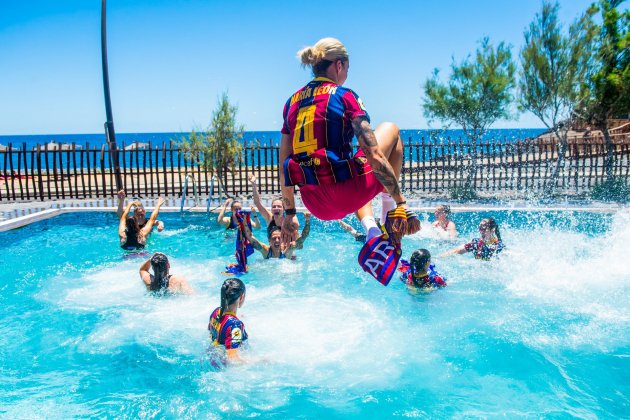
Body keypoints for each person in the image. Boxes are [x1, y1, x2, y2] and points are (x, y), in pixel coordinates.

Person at [278, 37, 420, 248]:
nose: (346, 73)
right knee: (391, 130)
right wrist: (401, 202)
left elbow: (284, 163)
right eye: (347, 68)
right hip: (346, 194)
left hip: (315, 204)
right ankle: (389, 214)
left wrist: (290, 213)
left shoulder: (291, 102)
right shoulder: (345, 96)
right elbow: (374, 154)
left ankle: (371, 228)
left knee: (355, 165)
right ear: (339, 65)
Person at [208, 277, 248, 364]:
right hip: (224, 365)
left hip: (214, 359)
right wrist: (259, 361)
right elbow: (233, 358)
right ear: (242, 297)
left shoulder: (215, 312)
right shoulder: (235, 325)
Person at [243, 212, 311, 259]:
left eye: (279, 238)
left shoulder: (287, 250)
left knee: (298, 247)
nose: (277, 240)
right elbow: (250, 237)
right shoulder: (266, 251)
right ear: (269, 240)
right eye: (274, 238)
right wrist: (243, 222)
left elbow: (303, 238)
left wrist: (307, 221)